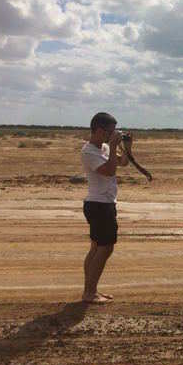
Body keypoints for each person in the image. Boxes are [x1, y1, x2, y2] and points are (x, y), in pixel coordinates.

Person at [80, 112, 130, 304]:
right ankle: (89, 293)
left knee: (96, 248)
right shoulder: (89, 152)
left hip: (105, 204)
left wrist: (127, 148)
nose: (113, 134)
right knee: (105, 248)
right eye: (110, 131)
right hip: (99, 205)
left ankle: (90, 290)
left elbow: (123, 163)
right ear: (100, 130)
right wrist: (115, 146)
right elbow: (109, 172)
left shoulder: (105, 148)